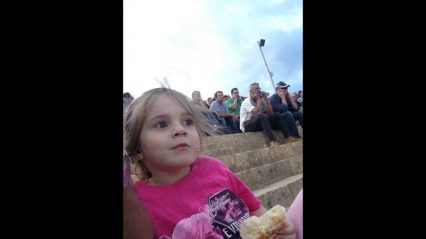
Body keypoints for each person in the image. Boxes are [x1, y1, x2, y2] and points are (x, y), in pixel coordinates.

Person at [124, 87, 295, 239]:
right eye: (161, 124)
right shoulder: (137, 204)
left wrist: (278, 229)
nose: (180, 130)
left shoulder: (213, 167)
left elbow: (256, 210)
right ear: (137, 149)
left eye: (187, 122)